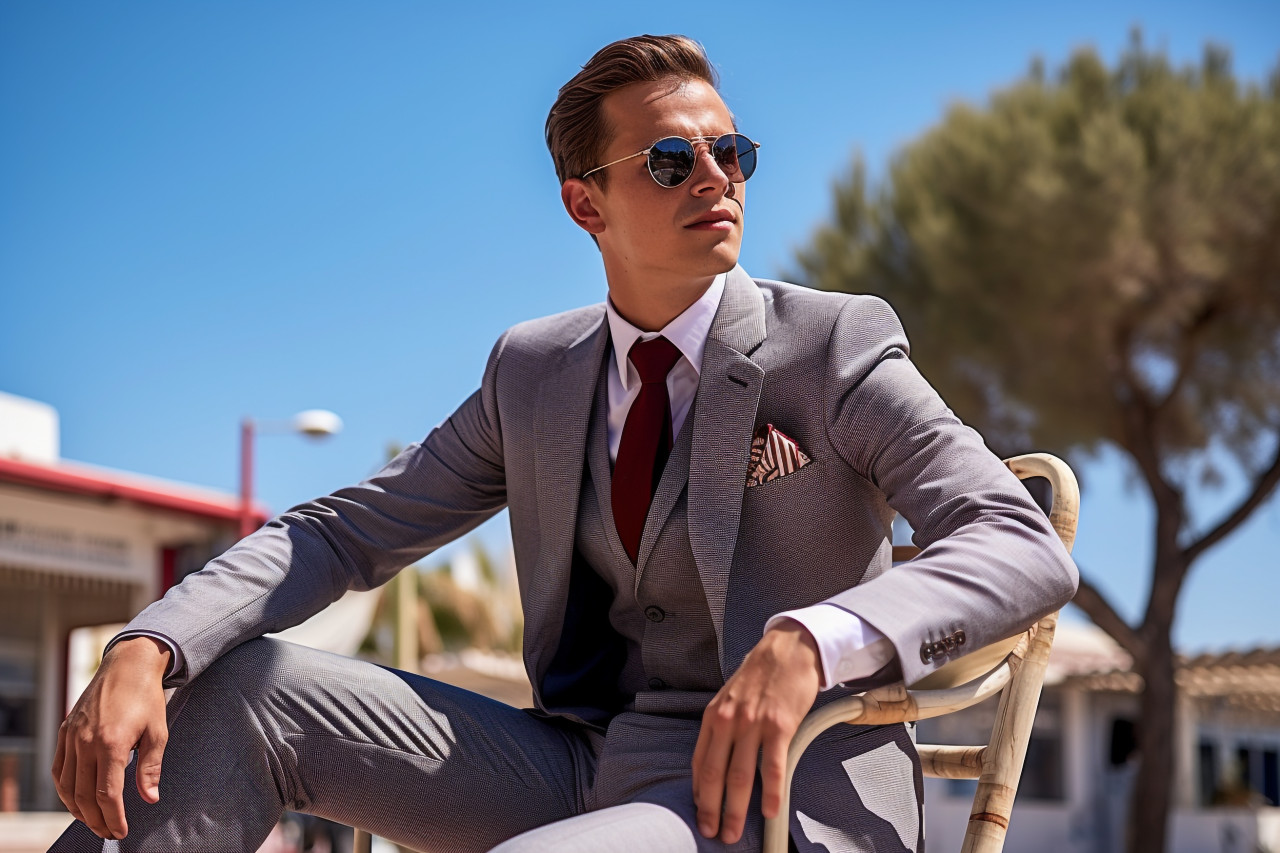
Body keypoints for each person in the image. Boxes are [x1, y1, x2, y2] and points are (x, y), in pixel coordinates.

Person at [50, 34, 1078, 853]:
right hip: (578, 768)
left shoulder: (829, 345)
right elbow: (341, 533)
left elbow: (1018, 541)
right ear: (585, 203)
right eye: (670, 161)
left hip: (783, 793)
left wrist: (813, 639)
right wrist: (149, 644)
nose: (714, 179)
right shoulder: (534, 371)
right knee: (236, 690)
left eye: (731, 153)